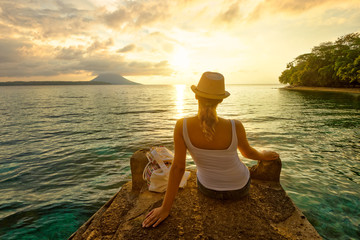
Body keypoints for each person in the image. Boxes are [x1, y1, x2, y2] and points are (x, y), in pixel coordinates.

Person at [142, 72, 279, 228]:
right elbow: (248, 154)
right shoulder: (235, 125)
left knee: (200, 174)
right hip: (239, 188)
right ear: (220, 100)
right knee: (242, 169)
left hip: (208, 189)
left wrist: (165, 208)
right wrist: (263, 155)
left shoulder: (182, 126)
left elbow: (178, 167)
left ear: (196, 97)